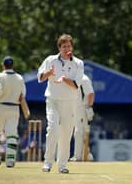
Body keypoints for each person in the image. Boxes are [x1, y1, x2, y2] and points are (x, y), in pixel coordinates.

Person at [37, 34, 84, 173]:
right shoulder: (50, 60)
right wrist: (49, 73)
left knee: (66, 133)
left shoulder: (78, 63)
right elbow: (40, 78)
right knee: (52, 129)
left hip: (70, 102)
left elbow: (76, 85)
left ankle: (62, 165)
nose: (67, 48)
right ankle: (47, 163)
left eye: (69, 46)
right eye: (64, 46)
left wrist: (64, 79)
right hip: (53, 100)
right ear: (59, 47)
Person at [0, 56, 26, 168]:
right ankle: (10, 161)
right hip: (14, 108)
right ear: (12, 65)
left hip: (1, 106)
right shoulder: (19, 78)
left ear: (3, 65)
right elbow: (23, 94)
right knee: (12, 134)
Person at [70, 74, 95, 161]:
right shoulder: (72, 77)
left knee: (79, 132)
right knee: (78, 132)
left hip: (82, 107)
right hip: (74, 108)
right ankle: (86, 155)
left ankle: (78, 156)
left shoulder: (84, 79)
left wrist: (89, 107)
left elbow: (91, 94)